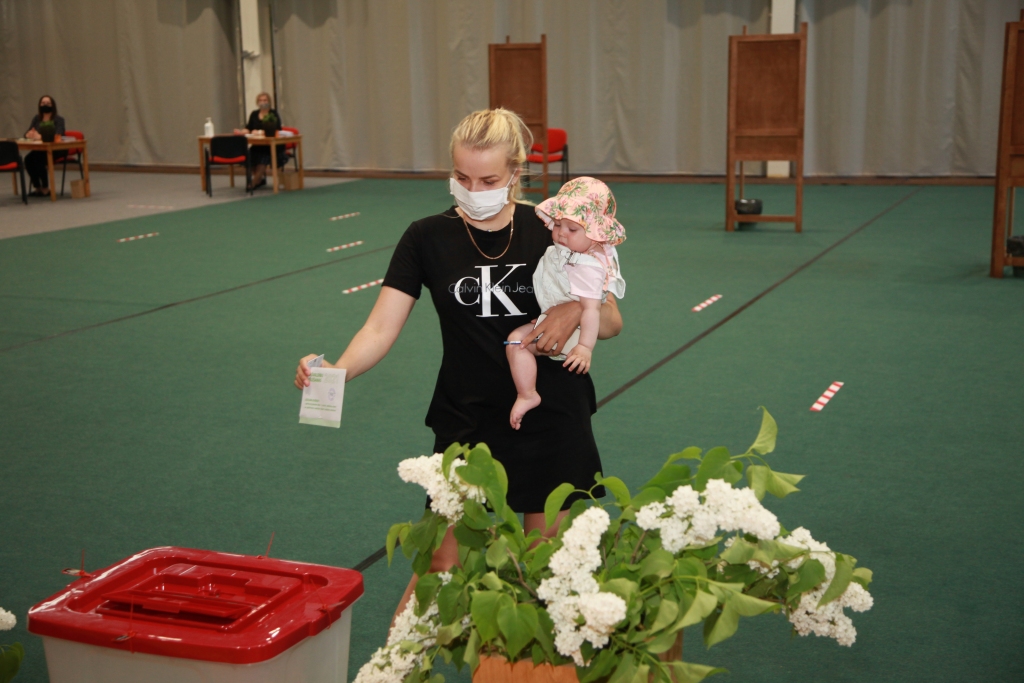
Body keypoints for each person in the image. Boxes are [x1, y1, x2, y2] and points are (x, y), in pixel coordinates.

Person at [293, 108, 622, 620]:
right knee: (438, 564)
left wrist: (567, 312)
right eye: (462, 177)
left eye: (489, 179)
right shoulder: (426, 237)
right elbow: (381, 327)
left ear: (517, 172)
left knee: (545, 571)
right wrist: (336, 370)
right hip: (466, 416)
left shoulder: (554, 229)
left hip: (551, 415)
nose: (474, 189)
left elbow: (613, 319)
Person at [507, 177, 626, 430]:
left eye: (572, 230)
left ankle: (527, 393)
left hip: (572, 336)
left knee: (518, 343)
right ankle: (528, 393)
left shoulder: (587, 266)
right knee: (516, 341)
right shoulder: (568, 251)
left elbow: (591, 309)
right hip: (550, 322)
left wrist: (584, 347)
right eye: (558, 224)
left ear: (595, 237)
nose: (561, 233)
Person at [234, 92, 284, 190]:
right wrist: (242, 131)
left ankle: (253, 183)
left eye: (265, 100)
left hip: (271, 146)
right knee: (248, 156)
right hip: (257, 145)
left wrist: (261, 132)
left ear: (269, 102)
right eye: (260, 100)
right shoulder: (254, 114)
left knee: (262, 158)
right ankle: (259, 179)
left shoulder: (273, 114)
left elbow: (277, 128)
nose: (263, 102)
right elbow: (249, 127)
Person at [24, 95, 66, 196]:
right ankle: (37, 187)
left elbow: (58, 135)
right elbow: (28, 132)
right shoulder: (37, 118)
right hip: (40, 149)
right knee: (28, 159)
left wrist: (40, 137)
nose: (45, 105)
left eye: (48, 103)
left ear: (53, 105)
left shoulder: (59, 119)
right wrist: (28, 135)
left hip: (56, 149)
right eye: (43, 103)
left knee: (38, 159)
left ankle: (46, 188)